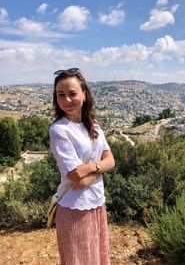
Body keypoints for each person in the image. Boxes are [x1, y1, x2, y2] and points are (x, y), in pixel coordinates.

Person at [49, 68, 115, 265]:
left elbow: (111, 160)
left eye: (72, 94)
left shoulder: (93, 125)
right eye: (61, 95)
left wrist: (89, 167)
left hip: (96, 202)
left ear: (84, 94)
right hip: (74, 207)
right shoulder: (59, 130)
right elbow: (78, 180)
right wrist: (100, 168)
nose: (66, 100)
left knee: (97, 256)